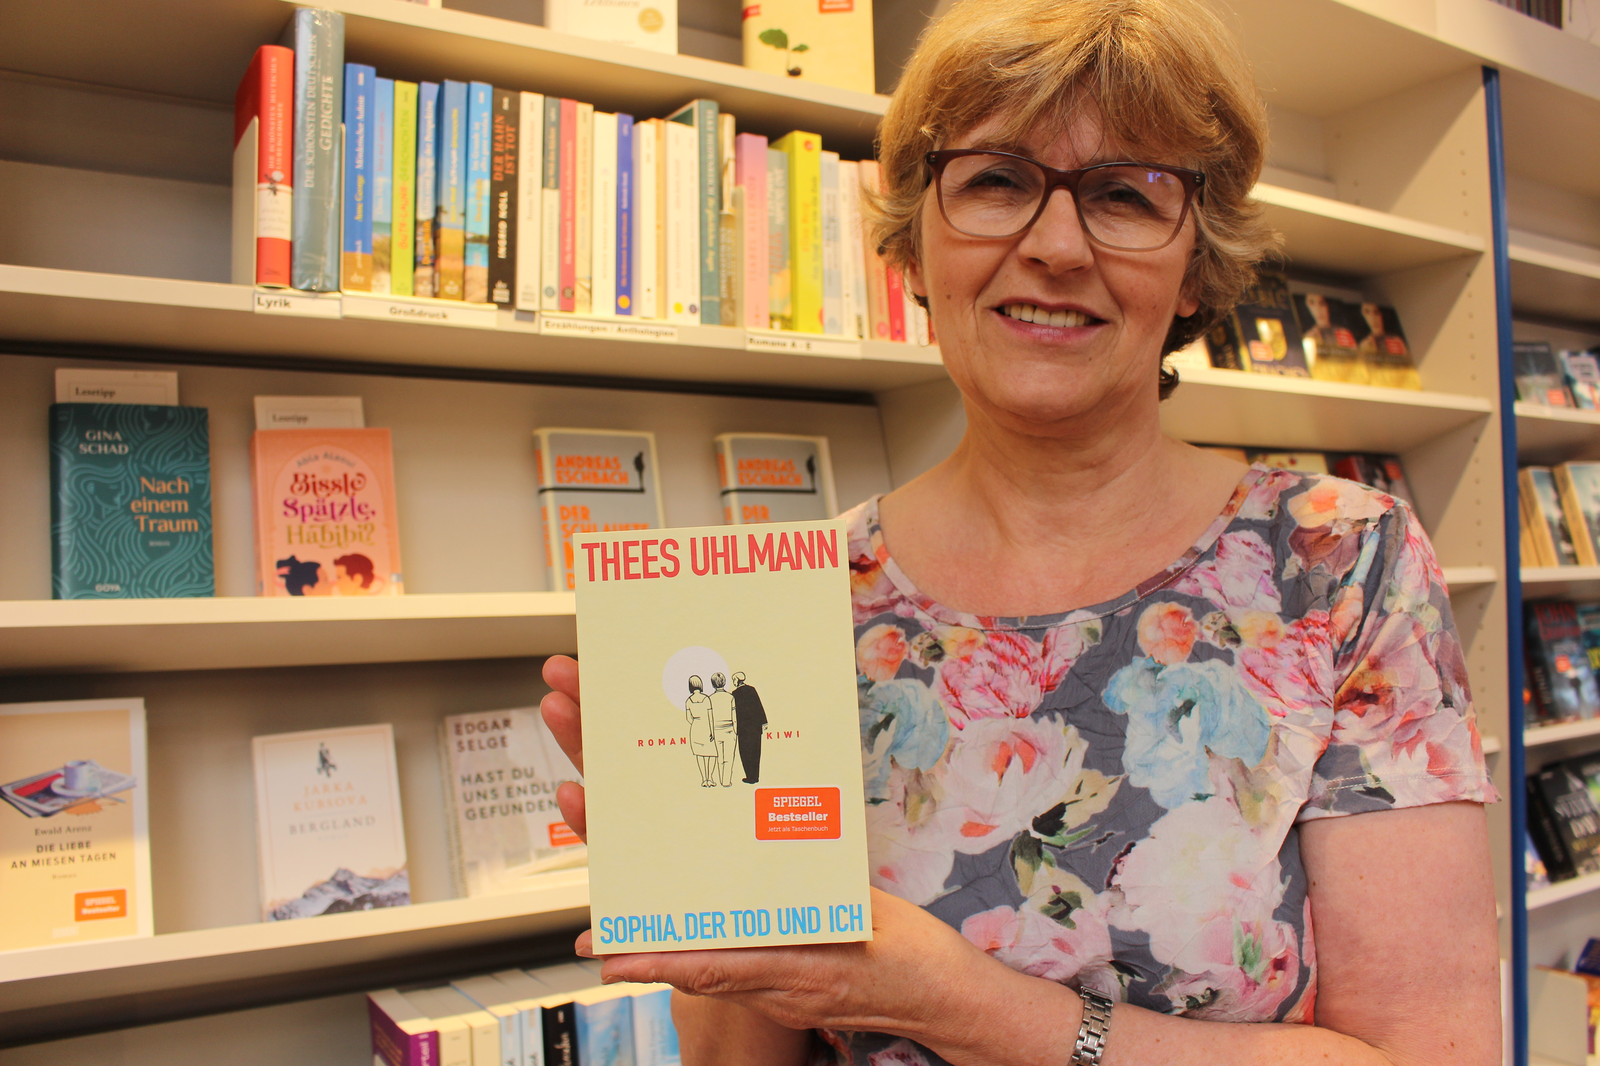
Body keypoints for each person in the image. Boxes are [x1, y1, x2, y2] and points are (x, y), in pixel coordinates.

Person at [540, 0, 1501, 1062]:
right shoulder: (794, 600)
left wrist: (961, 1003)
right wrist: (699, 860)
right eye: (996, 181)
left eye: (1124, 194)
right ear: (914, 248)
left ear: (1195, 264)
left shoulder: (1336, 563)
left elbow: (1432, 1054)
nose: (1053, 246)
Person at [731, 672, 768, 784]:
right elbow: (758, 706)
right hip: (755, 727)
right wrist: (764, 722)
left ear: (737, 680)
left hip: (743, 728)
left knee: (745, 753)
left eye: (734, 679)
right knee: (756, 752)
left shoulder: (735, 693)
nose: (733, 682)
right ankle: (755, 777)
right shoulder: (752, 690)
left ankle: (750, 776)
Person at [684, 676, 716, 787]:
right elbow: (710, 717)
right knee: (711, 754)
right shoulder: (706, 699)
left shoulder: (688, 701)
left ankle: (703, 779)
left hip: (695, 728)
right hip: (707, 727)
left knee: (699, 755)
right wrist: (712, 731)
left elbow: (688, 718)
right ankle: (710, 778)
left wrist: (696, 723)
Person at [708, 672, 738, 787]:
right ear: (724, 682)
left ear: (713, 684)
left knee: (719, 757)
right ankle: (726, 781)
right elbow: (734, 716)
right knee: (729, 757)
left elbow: (710, 718)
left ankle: (721, 780)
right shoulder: (730, 697)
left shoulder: (710, 699)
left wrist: (711, 732)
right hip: (729, 729)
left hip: (716, 730)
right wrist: (736, 730)